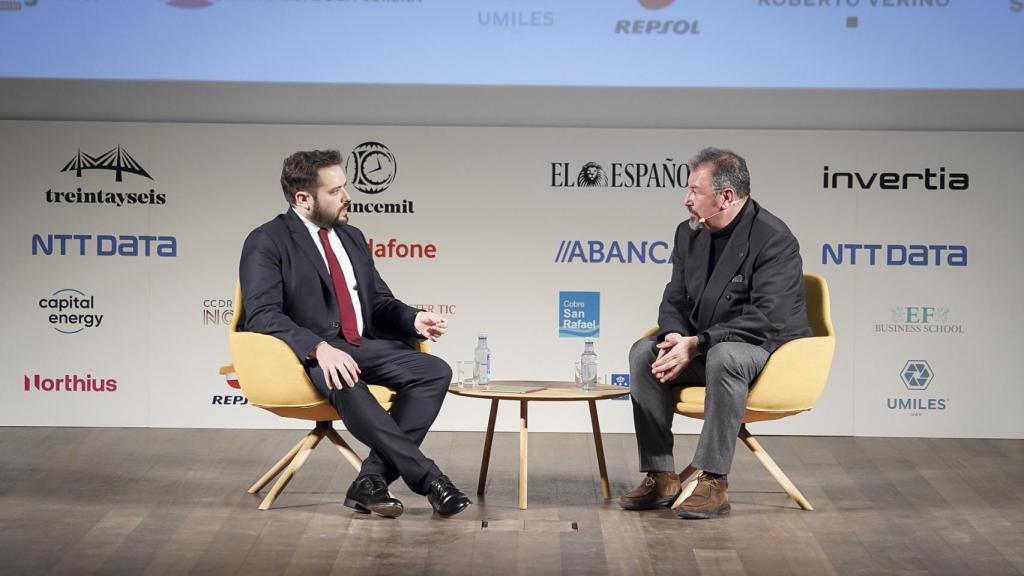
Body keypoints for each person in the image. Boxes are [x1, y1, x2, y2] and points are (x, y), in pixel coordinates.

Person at [238, 149, 470, 519]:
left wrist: (413, 320)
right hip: (307, 357)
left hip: (361, 346)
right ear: (304, 199)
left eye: (345, 187)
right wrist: (318, 348)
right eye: (336, 191)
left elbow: (378, 302)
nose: (347, 197)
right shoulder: (267, 240)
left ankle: (370, 480)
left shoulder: (352, 238)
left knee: (434, 370)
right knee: (343, 373)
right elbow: (262, 314)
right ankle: (430, 480)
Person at [620, 147, 811, 519]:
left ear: (726, 197)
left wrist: (699, 343)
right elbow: (674, 297)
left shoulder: (774, 239)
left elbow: (767, 317)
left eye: (695, 191)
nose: (686, 199)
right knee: (645, 354)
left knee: (725, 356)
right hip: (701, 345)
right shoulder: (688, 234)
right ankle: (661, 475)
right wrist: (676, 337)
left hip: (763, 352)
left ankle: (713, 481)